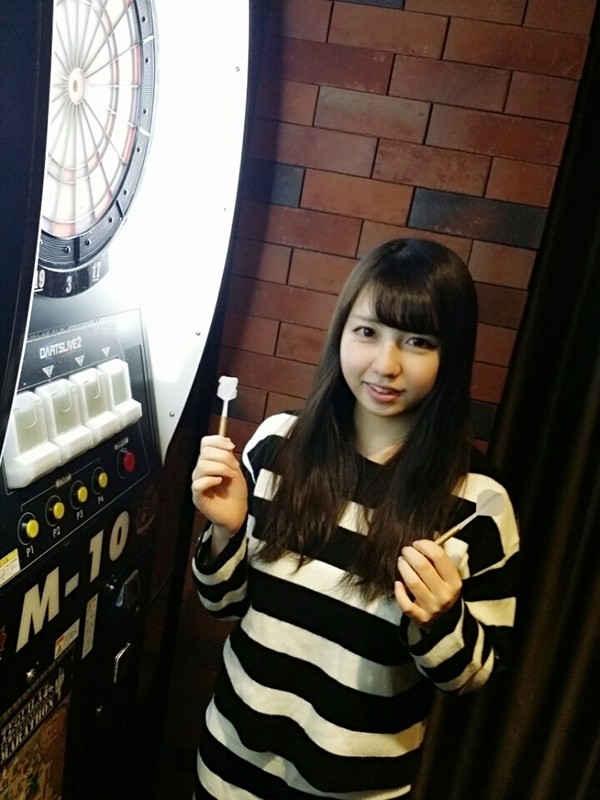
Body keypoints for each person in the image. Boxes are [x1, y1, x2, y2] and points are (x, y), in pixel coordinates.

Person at [190, 238, 520, 799]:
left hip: (354, 788)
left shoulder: (478, 505)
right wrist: (226, 531)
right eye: (367, 332)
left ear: (451, 355)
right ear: (341, 332)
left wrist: (441, 618)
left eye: (418, 342)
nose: (385, 365)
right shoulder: (276, 446)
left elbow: (471, 677)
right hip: (229, 767)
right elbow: (221, 604)